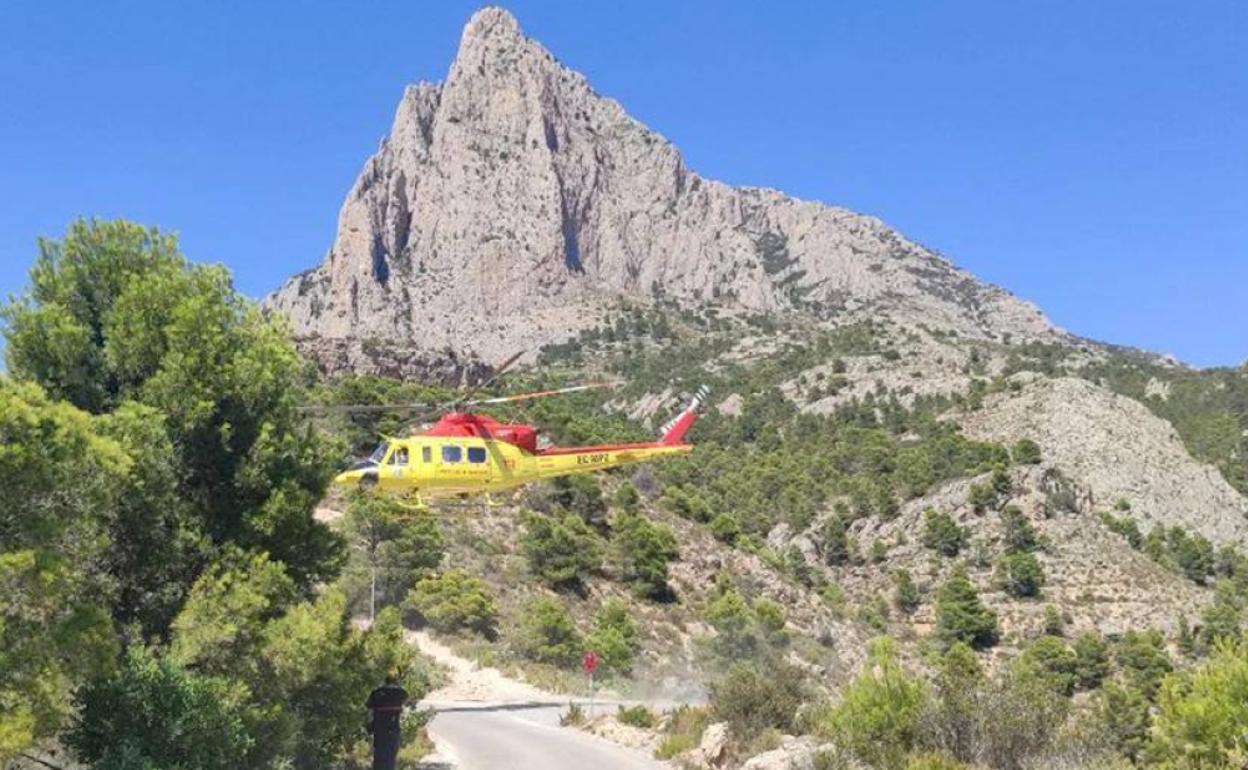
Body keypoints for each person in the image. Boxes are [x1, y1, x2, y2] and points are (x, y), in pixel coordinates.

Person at [365, 673, 409, 770]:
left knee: (379, 756)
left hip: (379, 729)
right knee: (391, 756)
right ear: (396, 681)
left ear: (385, 681)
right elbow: (405, 706)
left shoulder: (376, 693)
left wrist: (369, 727)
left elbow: (369, 711)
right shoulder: (402, 692)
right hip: (394, 728)